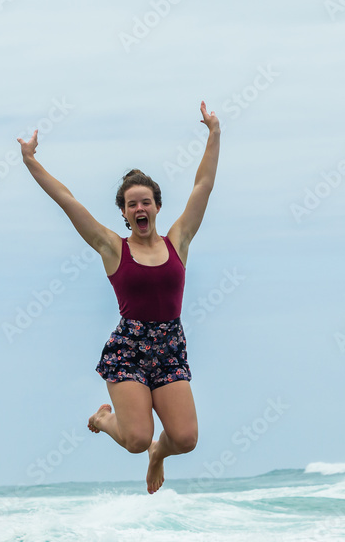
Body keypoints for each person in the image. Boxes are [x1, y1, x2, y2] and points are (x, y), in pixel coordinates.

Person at [18, 101, 221, 494]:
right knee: (136, 439)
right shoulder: (113, 248)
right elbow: (68, 200)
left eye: (146, 202)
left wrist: (214, 133)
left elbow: (203, 186)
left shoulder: (178, 241)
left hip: (170, 345)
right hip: (129, 347)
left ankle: (159, 453)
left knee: (185, 439)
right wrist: (31, 161)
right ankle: (103, 419)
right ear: (124, 214)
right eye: (132, 204)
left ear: (157, 206)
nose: (140, 208)